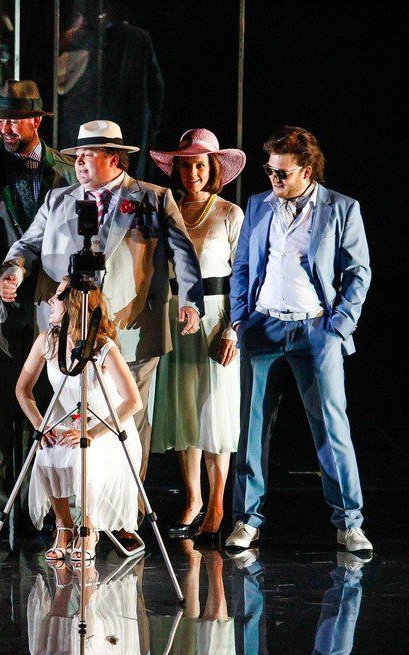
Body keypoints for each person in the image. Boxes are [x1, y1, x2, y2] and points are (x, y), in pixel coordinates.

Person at [0, 119, 204, 552]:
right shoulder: (59, 199)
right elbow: (28, 245)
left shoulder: (151, 197)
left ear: (114, 159)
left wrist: (190, 300)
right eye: (76, 156)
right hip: (68, 329)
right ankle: (71, 518)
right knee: (68, 418)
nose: (78, 163)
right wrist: (13, 271)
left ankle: (125, 513)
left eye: (88, 155)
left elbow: (183, 252)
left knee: (127, 420)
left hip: (130, 327)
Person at [226, 126, 372, 555]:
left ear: (306, 172)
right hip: (263, 329)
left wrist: (338, 326)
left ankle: (349, 523)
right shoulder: (258, 205)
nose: (274, 178)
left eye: (283, 173)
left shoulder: (341, 208)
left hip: (315, 330)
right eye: (270, 170)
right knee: (251, 429)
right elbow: (242, 265)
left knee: (331, 428)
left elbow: (358, 273)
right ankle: (246, 520)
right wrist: (240, 319)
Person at [0, 79, 76, 533]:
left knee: (51, 399)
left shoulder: (68, 170)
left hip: (54, 301)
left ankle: (51, 506)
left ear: (36, 120)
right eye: (1, 122)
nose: (6, 129)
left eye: (15, 121)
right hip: (1, 297)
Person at [147, 129, 247, 541]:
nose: (192, 173)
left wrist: (233, 330)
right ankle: (193, 499)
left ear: (213, 169)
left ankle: (218, 504)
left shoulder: (229, 213)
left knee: (214, 410)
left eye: (200, 165)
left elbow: (243, 276)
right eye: (186, 165)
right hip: (175, 315)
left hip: (216, 318)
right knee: (185, 409)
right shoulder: (166, 208)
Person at [17, 278, 143, 563]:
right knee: (46, 450)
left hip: (107, 429)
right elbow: (22, 389)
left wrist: (92, 433)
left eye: (58, 296)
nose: (50, 301)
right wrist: (40, 425)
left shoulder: (102, 346)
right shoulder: (47, 340)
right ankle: (64, 526)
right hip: (68, 422)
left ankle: (88, 529)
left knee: (82, 454)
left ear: (74, 304)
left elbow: (132, 401)